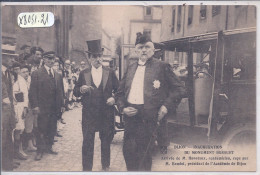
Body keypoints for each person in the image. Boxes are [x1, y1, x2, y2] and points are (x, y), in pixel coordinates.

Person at [115, 33, 186, 171]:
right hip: (130, 118)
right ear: (136, 50)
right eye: (140, 47)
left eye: (147, 47)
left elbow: (179, 89)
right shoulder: (130, 68)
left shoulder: (162, 66)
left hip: (148, 118)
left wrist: (165, 107)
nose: (144, 50)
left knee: (144, 156)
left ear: (153, 50)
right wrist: (123, 108)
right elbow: (119, 93)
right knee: (128, 152)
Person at [73, 39, 119, 171]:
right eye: (94, 56)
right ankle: (87, 169)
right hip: (89, 114)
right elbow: (75, 92)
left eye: (99, 56)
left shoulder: (109, 72)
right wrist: (81, 89)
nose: (98, 59)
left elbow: (119, 90)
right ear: (90, 57)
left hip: (106, 114)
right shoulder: (84, 73)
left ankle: (105, 166)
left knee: (105, 142)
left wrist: (114, 98)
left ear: (102, 56)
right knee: (87, 142)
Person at [29, 51, 65, 161]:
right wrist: (35, 106)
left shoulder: (57, 74)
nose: (51, 61)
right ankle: (40, 150)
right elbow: (32, 91)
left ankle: (49, 147)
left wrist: (62, 105)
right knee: (41, 128)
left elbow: (61, 91)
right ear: (44, 59)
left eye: (52, 59)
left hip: (54, 107)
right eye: (48, 59)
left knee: (52, 127)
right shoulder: (37, 73)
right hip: (42, 107)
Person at [2, 44, 18, 170]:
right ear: (2, 57)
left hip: (8, 115)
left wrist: (13, 114)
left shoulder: (8, 73)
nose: (13, 60)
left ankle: (7, 165)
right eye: (10, 57)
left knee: (8, 140)